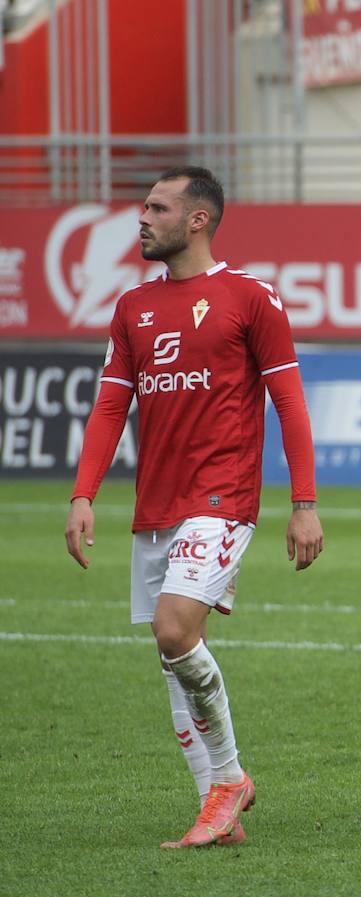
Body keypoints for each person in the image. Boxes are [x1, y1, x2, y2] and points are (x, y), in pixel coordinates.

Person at [64, 166, 324, 849]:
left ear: (198, 219)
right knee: (173, 653)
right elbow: (112, 406)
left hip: (222, 499)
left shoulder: (250, 299)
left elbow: (290, 403)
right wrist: (83, 494)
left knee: (177, 632)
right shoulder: (132, 308)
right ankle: (217, 810)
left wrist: (304, 503)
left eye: (157, 208)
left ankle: (230, 780)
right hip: (155, 506)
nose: (141, 218)